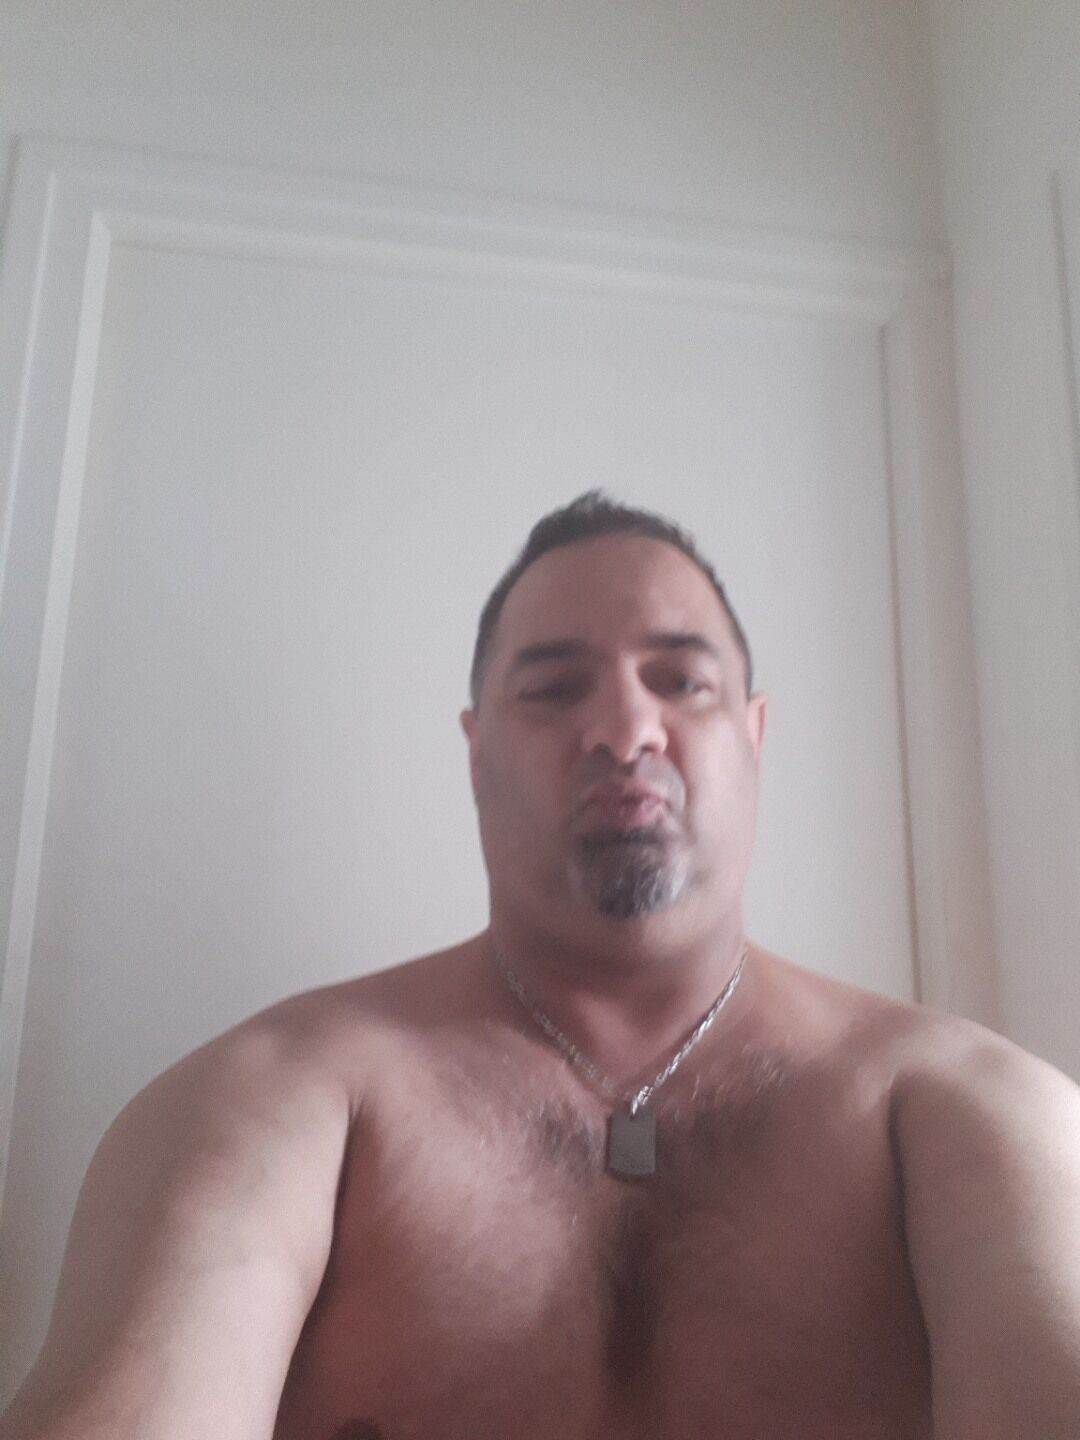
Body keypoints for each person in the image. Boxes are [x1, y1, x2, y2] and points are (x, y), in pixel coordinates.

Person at [2, 491, 1079, 1440]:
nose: (625, 729)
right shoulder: (277, 1097)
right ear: (475, 749)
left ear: (755, 736)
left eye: (682, 681)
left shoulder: (964, 1110)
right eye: (556, 688)